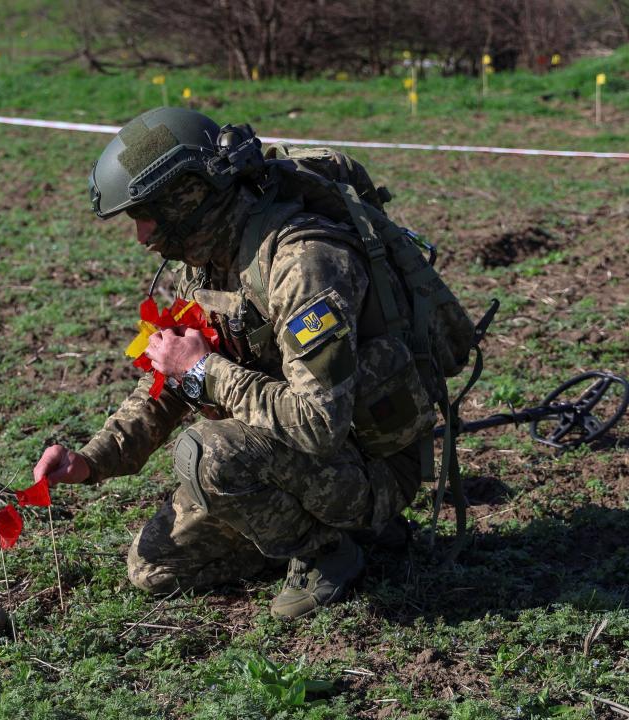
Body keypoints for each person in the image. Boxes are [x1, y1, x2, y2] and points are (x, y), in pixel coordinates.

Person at [32, 107, 434, 620]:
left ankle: (331, 550)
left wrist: (207, 370)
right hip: (277, 457)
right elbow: (170, 379)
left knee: (206, 453)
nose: (141, 237)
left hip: (364, 464)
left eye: (145, 217)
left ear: (187, 197)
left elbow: (319, 426)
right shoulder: (204, 264)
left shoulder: (303, 263)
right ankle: (318, 527)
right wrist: (92, 459)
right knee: (152, 568)